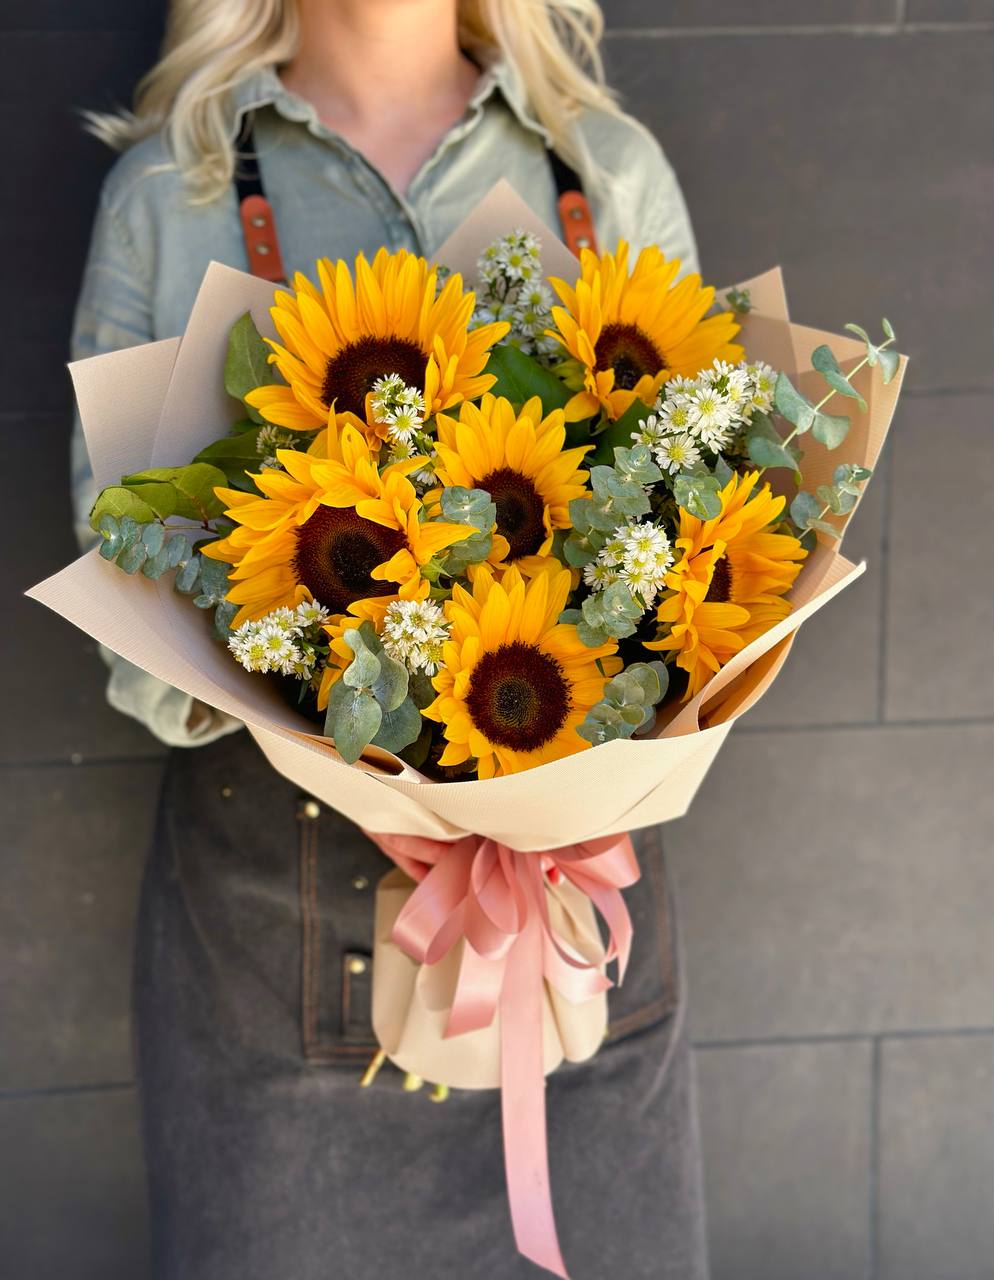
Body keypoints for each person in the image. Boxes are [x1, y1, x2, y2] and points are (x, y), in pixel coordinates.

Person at [70, 2, 708, 1276]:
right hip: (272, 928)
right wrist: (306, 676)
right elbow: (121, 600)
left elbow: (705, 518)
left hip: (572, 949)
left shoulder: (601, 171)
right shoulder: (173, 188)